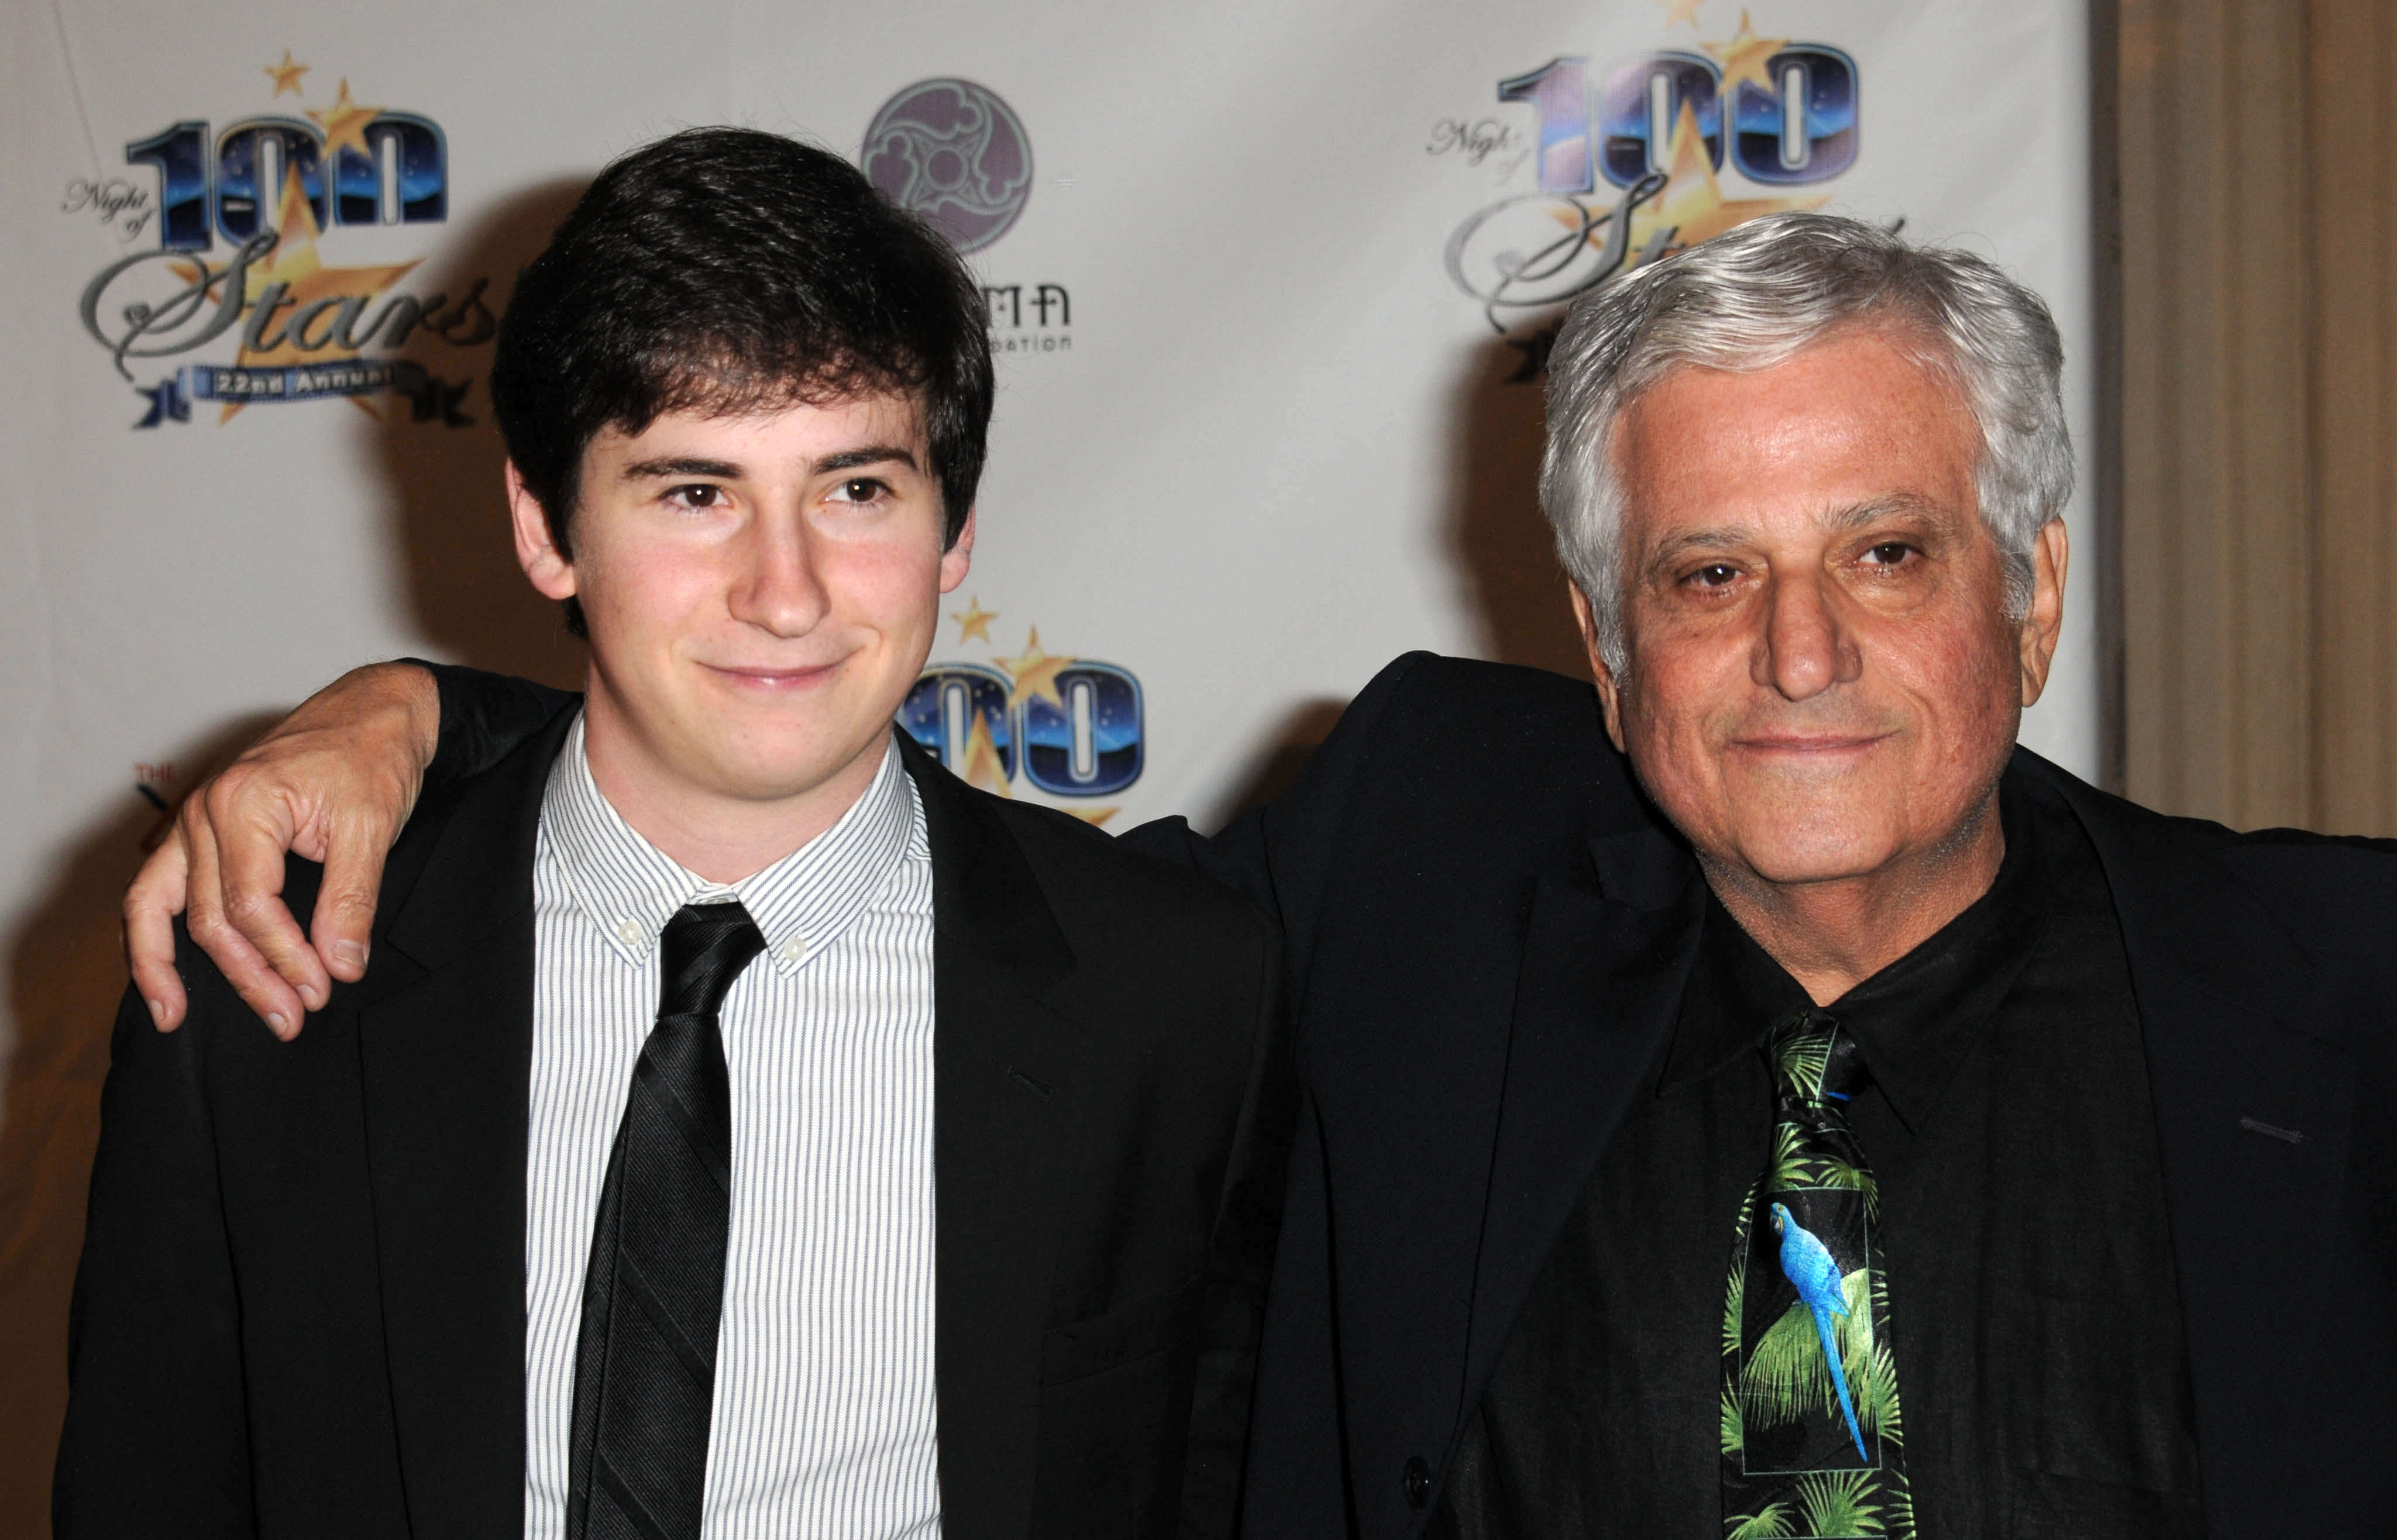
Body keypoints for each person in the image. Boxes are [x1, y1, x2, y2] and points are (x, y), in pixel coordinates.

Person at [122, 215, 2396, 1538]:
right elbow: (820, 807)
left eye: (1884, 554)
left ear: (2035, 586)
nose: (1795, 655)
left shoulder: (2329, 995)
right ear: (1601, 647)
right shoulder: (1423, 860)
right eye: (1705, 574)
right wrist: (427, 718)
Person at [59, 128, 1290, 1540]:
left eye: (857, 489)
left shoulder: (1179, 996)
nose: (785, 591)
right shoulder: (264, 976)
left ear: (954, 528)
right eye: (696, 493)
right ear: (545, 526)